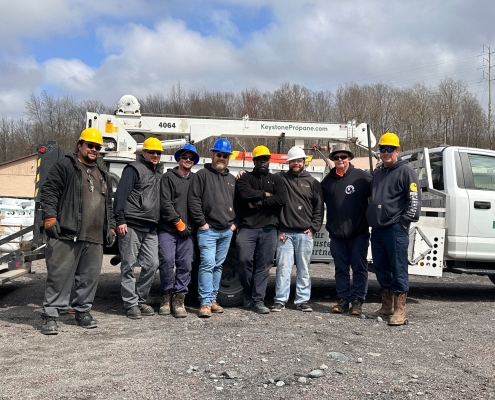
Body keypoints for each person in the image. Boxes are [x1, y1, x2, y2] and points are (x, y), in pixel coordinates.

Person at [39, 128, 116, 335]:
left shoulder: (102, 174)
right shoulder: (65, 166)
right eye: (90, 145)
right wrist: (49, 217)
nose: (94, 149)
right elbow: (49, 192)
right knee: (59, 276)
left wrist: (110, 226)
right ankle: (51, 314)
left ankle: (83, 311)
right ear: (80, 145)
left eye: (97, 147)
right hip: (67, 232)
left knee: (89, 278)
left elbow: (107, 203)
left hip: (94, 235)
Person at [366, 132, 421, 326]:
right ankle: (387, 305)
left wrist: (405, 221)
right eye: (383, 149)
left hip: (396, 228)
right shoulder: (379, 173)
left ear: (397, 150)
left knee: (398, 268)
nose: (386, 152)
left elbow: (414, 198)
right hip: (378, 229)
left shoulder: (406, 171)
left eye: (390, 149)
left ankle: (400, 309)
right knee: (381, 267)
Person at [114, 137, 164, 319]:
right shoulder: (133, 169)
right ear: (143, 153)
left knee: (152, 264)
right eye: (152, 151)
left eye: (158, 152)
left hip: (151, 226)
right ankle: (130, 304)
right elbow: (120, 195)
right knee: (128, 265)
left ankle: (141, 300)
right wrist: (120, 220)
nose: (155, 155)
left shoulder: (159, 173)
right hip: (132, 224)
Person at [320, 143, 372, 316]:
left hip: (358, 233)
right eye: (336, 157)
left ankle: (358, 300)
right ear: (333, 159)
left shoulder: (363, 178)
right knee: (341, 268)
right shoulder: (327, 182)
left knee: (359, 267)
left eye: (343, 157)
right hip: (336, 234)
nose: (340, 160)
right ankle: (343, 299)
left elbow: (380, 195)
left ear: (350, 158)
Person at [235, 145, 287, 314]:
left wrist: (258, 202)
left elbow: (281, 199)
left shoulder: (277, 179)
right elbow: (244, 195)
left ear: (269, 160)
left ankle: (258, 300)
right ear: (254, 161)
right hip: (247, 228)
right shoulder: (245, 178)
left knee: (264, 266)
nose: (262, 162)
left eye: (265, 159)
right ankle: (248, 292)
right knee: (244, 261)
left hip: (269, 229)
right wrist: (265, 195)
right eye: (259, 159)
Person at [188, 138, 237, 318]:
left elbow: (238, 204)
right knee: (207, 265)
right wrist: (202, 223)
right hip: (208, 230)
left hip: (226, 231)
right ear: (212, 155)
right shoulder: (201, 175)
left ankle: (213, 299)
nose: (221, 158)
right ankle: (205, 303)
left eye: (225, 156)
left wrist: (234, 224)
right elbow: (194, 201)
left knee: (218, 266)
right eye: (219, 155)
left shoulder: (232, 179)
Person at [272, 146, 323, 313]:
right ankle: (280, 300)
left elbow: (319, 208)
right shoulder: (280, 179)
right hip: (285, 233)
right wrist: (243, 173)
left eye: (299, 160)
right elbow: (262, 180)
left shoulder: (313, 183)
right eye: (293, 161)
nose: (296, 163)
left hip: (304, 233)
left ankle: (302, 301)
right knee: (283, 269)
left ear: (304, 162)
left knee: (304, 269)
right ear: (288, 162)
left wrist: (313, 228)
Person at [157, 144, 199, 318]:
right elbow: (165, 203)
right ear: (178, 159)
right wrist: (178, 222)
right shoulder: (168, 177)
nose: (188, 160)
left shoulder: (196, 179)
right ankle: (166, 296)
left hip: (188, 231)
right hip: (169, 228)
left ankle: (179, 298)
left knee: (186, 264)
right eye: (184, 157)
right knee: (166, 261)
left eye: (191, 158)